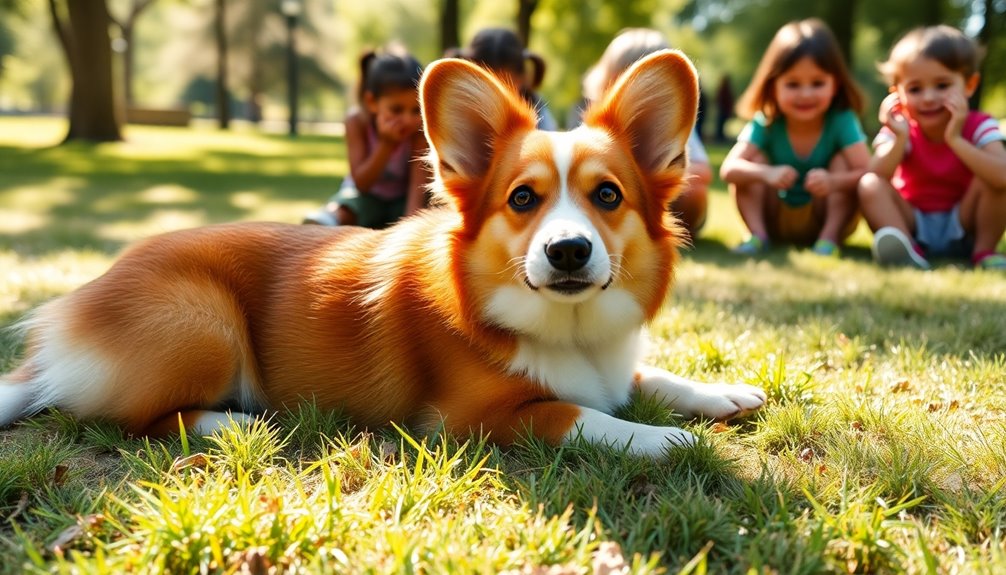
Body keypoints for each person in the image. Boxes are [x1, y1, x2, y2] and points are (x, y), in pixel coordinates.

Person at [858, 25, 1006, 270]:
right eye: (915, 89)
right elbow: (876, 176)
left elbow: (1002, 176)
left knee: (994, 179)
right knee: (868, 184)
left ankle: (984, 252)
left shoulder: (980, 125)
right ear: (897, 94)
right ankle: (908, 250)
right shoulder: (900, 129)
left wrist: (956, 139)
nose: (928, 98)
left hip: (965, 222)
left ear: (969, 85)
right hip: (913, 223)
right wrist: (900, 139)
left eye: (942, 85)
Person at [719, 19, 870, 257]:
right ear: (773, 86)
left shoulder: (842, 120)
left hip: (824, 216)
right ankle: (757, 237)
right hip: (775, 218)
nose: (805, 94)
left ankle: (828, 241)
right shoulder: (766, 121)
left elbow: (868, 173)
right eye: (793, 84)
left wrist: (834, 181)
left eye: (817, 83)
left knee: (843, 162)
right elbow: (728, 169)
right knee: (753, 161)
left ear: (835, 85)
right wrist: (767, 174)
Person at [580, 28, 711, 240]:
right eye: (627, 77)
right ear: (610, 78)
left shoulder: (667, 127)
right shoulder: (591, 127)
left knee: (695, 191)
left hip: (667, 200)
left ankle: (682, 233)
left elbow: (704, 171)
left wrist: (660, 174)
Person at [303, 47, 429, 227]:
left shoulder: (419, 132)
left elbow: (415, 195)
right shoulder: (356, 122)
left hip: (402, 199)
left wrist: (410, 226)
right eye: (396, 110)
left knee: (426, 211)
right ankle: (326, 222)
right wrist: (386, 144)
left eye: (416, 110)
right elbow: (361, 184)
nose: (407, 119)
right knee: (350, 206)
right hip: (365, 196)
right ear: (372, 102)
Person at [450, 27, 559, 131]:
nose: (495, 101)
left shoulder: (540, 120)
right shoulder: (451, 116)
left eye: (505, 88)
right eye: (484, 88)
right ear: (466, 79)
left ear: (522, 78)